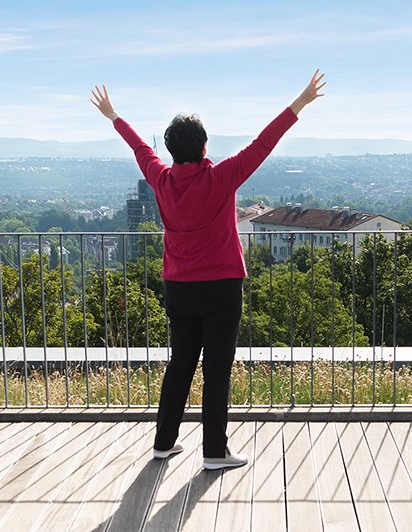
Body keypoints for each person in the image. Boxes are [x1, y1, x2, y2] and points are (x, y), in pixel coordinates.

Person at [91, 70, 326, 470]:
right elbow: (263, 144)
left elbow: (137, 148)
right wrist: (300, 102)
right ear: (203, 146)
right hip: (220, 288)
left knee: (180, 363)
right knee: (217, 370)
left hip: (178, 288)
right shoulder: (221, 177)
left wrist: (114, 116)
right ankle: (214, 451)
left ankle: (163, 443)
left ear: (170, 150)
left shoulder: (160, 180)